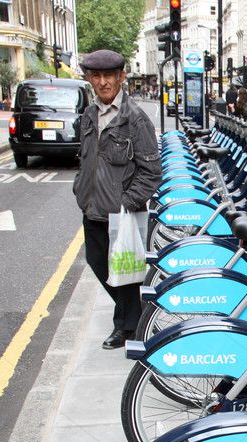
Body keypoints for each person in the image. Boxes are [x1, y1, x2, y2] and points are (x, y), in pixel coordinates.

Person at [73, 50, 160, 349]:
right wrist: (80, 189)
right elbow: (86, 160)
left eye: (109, 75)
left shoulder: (135, 119)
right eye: (96, 76)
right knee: (99, 263)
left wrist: (128, 202)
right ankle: (134, 316)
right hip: (93, 208)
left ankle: (126, 326)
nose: (103, 82)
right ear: (89, 79)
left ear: (121, 76)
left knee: (124, 273)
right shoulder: (88, 115)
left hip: (120, 213)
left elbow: (151, 171)